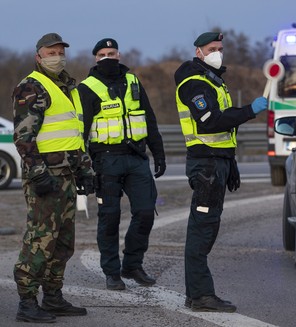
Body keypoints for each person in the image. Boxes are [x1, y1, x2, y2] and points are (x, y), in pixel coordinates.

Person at [174, 31, 267, 313]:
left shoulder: (214, 81)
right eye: (212, 48)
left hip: (217, 163)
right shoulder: (194, 84)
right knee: (202, 230)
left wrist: (231, 162)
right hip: (206, 165)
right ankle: (201, 296)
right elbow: (210, 122)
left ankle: (198, 294)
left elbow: (225, 131)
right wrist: (249, 110)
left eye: (220, 48)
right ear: (199, 52)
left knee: (208, 228)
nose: (218, 52)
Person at [12, 32, 94, 323]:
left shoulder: (68, 88)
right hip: (45, 177)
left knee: (63, 241)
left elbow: (74, 137)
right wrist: (37, 174)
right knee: (40, 239)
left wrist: (86, 169)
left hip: (68, 175)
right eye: (50, 53)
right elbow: (23, 138)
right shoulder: (31, 87)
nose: (57, 57)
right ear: (38, 57)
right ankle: (26, 301)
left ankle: (53, 296)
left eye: (60, 52)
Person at [75, 38, 166, 291]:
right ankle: (112, 272)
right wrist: (83, 168)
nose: (107, 57)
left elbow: (149, 119)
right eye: (102, 53)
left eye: (111, 52)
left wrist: (159, 154)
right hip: (105, 160)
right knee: (110, 218)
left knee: (146, 212)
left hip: (137, 157)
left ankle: (132, 265)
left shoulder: (133, 81)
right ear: (95, 58)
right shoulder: (87, 88)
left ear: (119, 54)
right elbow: (80, 132)